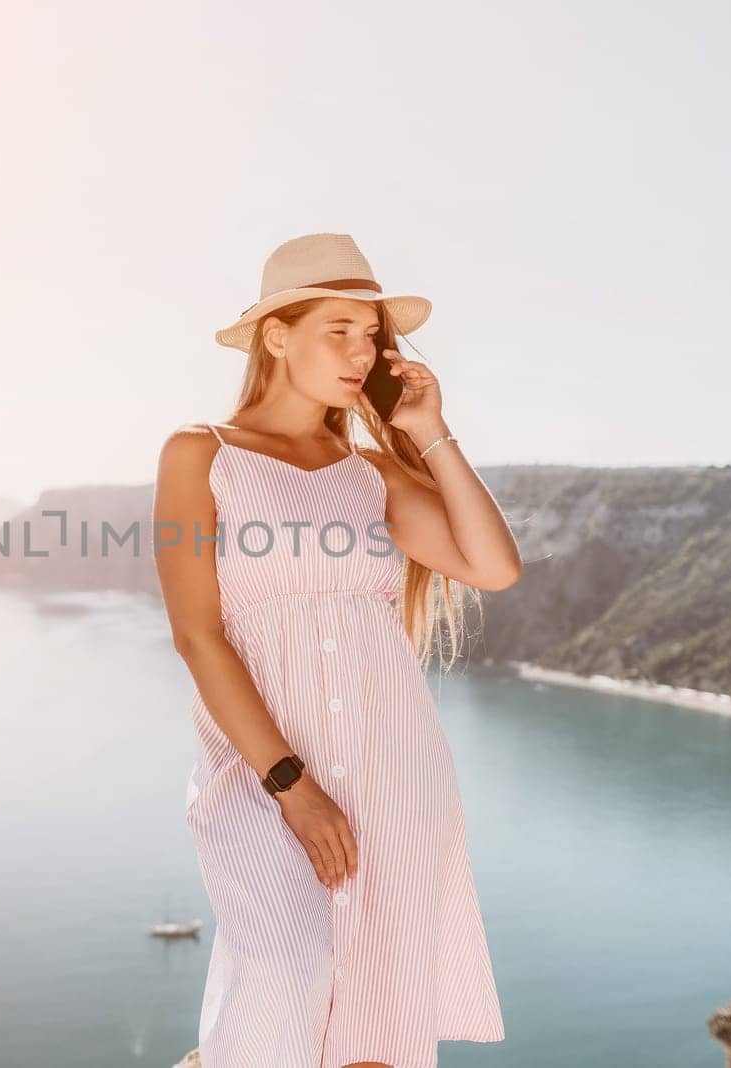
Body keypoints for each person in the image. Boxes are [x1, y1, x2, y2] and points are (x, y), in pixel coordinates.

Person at [152, 233, 523, 1068]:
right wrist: (293, 786)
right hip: (262, 775)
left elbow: (494, 567)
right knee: (286, 968)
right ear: (275, 336)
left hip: (395, 775)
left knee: (376, 1026)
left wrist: (429, 431)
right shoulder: (198, 455)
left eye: (374, 338)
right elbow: (197, 636)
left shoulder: (372, 477)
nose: (363, 354)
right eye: (340, 330)